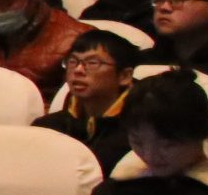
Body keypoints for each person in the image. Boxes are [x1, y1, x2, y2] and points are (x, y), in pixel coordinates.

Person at [36, 29, 137, 169]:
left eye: (92, 63)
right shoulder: (47, 128)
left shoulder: (137, 134)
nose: (78, 70)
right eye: (72, 61)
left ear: (124, 76)